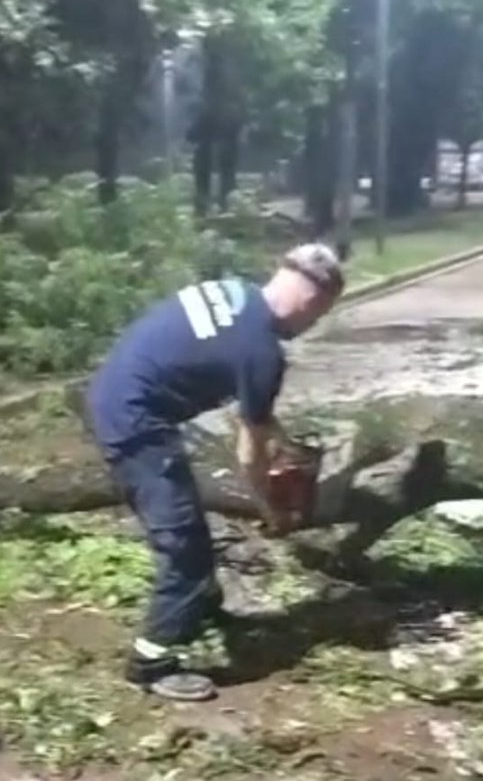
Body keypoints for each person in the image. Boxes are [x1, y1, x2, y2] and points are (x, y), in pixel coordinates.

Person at [87, 243, 344, 702]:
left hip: (116, 389)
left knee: (187, 524)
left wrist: (286, 444)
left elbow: (250, 410)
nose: (313, 326)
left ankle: (201, 606)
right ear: (312, 301)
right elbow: (248, 454)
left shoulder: (236, 294)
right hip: (135, 423)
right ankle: (151, 662)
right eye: (319, 317)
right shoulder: (263, 351)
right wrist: (271, 512)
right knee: (184, 548)